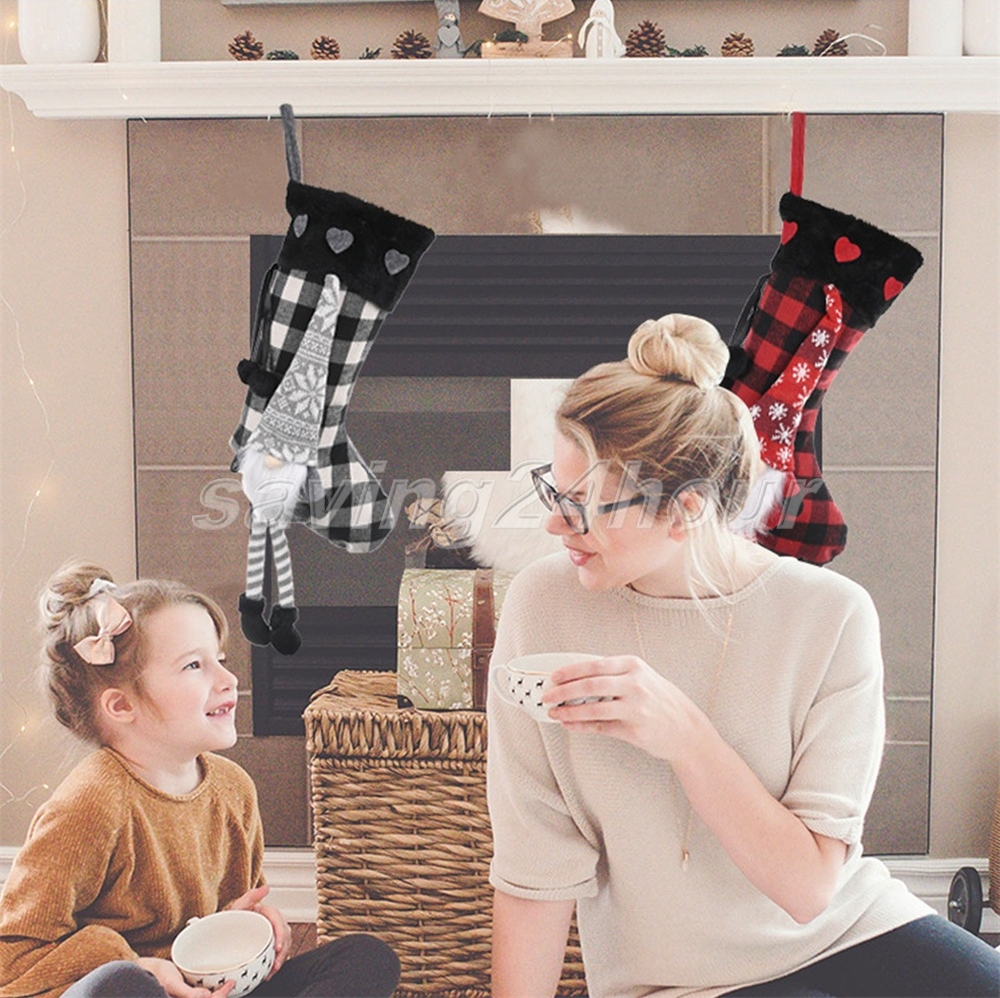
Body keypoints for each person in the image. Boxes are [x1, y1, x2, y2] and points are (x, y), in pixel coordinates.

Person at [486, 314, 1000, 998]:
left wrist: (686, 737)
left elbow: (810, 890)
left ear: (686, 510)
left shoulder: (831, 616)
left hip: (851, 929)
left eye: (585, 505)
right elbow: (535, 868)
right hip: (682, 979)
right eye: (555, 490)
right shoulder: (543, 604)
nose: (555, 523)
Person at [0, 563, 399, 998]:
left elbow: (228, 909)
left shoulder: (233, 787)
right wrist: (143, 966)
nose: (229, 681)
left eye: (219, 660)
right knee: (121, 985)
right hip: (135, 988)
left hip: (207, 988)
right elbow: (13, 960)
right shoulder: (87, 806)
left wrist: (247, 920)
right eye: (194, 665)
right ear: (121, 706)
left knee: (368, 958)